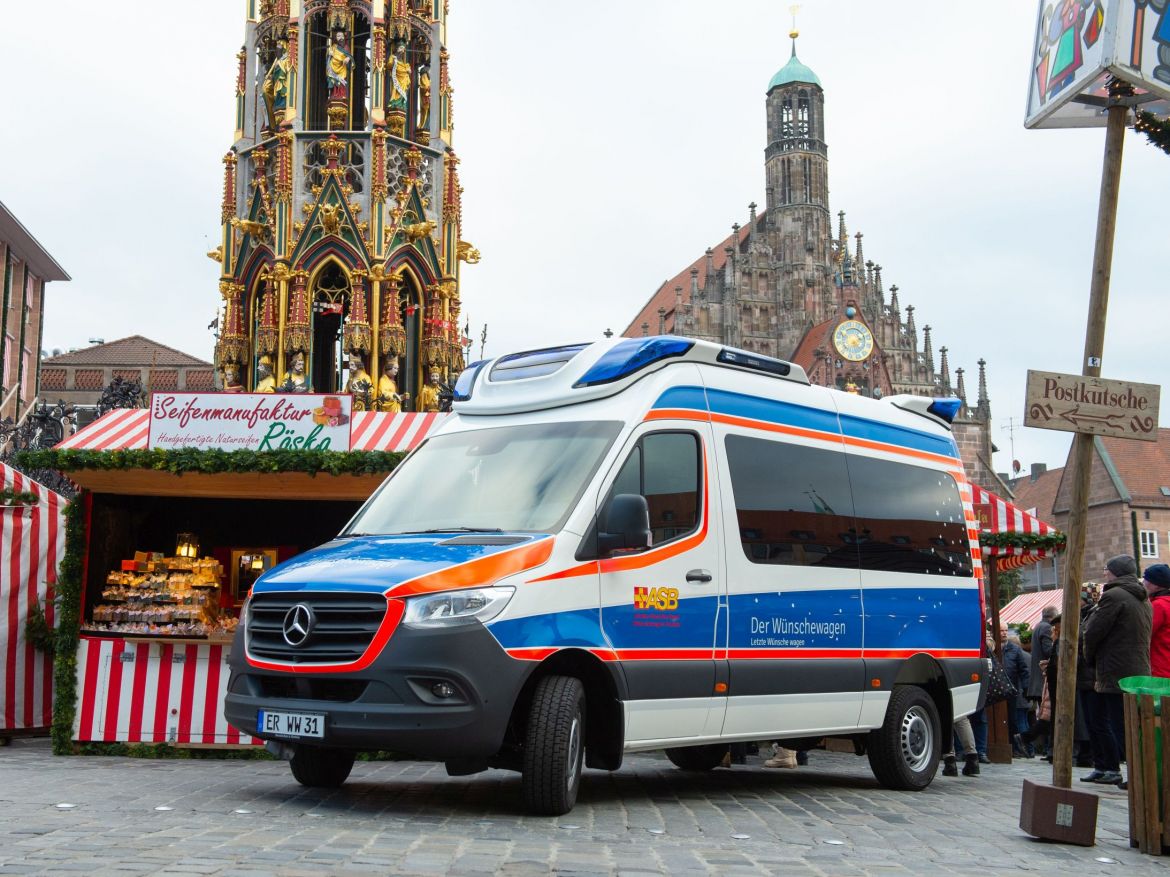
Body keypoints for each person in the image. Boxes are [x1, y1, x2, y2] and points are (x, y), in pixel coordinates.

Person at [1081, 554, 1153, 786]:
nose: (1104, 573)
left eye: (1107, 569)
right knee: (1111, 720)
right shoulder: (1143, 597)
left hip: (1115, 669)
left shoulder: (1114, 595)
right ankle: (1109, 767)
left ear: (1115, 572)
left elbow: (1093, 631)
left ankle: (1129, 773)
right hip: (1135, 666)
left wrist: (1089, 656)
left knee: (1117, 724)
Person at [1026, 605, 1057, 753]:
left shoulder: (1038, 626)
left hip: (1037, 681)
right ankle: (1049, 749)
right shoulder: (1046, 628)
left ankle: (1046, 748)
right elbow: (1048, 650)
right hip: (1043, 680)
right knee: (1048, 717)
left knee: (1044, 716)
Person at [1000, 625, 1031, 757]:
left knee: (1012, 720)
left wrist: (1026, 688)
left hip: (1011, 690)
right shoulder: (992, 648)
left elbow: (1023, 671)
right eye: (1002, 630)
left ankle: (1014, 748)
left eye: (1006, 630)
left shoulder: (1015, 649)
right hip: (996, 689)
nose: (1004, 633)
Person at [1142, 563, 1170, 678]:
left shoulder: (1159, 605)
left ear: (1156, 586)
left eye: (1146, 579)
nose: (1143, 583)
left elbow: (1145, 633)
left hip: (1160, 668)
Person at [327, 31, 353, 99]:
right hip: (333, 67)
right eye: (338, 36)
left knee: (342, 81)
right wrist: (330, 55)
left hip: (342, 67)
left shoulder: (346, 47)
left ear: (344, 37)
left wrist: (348, 58)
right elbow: (329, 58)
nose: (340, 38)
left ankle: (342, 94)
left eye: (342, 36)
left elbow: (350, 56)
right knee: (334, 81)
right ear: (335, 38)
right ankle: (334, 94)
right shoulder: (334, 46)